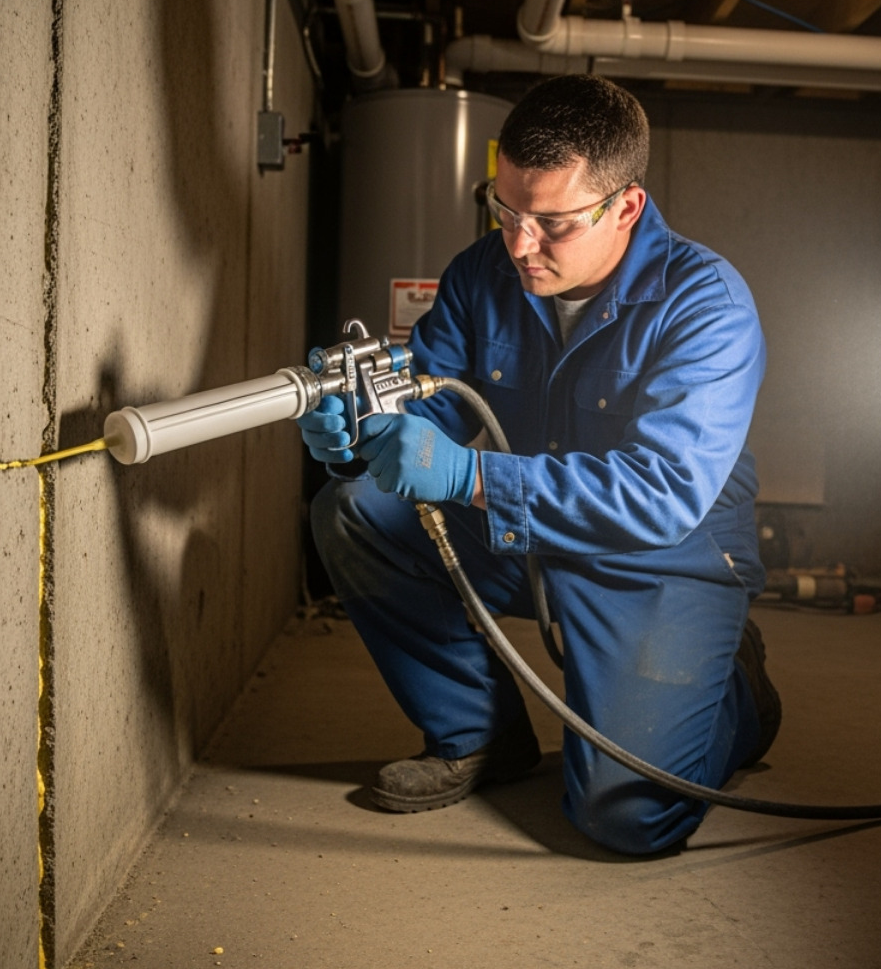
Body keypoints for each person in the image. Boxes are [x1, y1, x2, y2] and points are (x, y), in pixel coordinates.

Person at [302, 74, 777, 856]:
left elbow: (661, 495)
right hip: (526, 526)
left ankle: (739, 697)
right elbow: (430, 410)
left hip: (661, 556)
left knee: (627, 818)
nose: (520, 245)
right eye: (506, 211)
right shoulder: (480, 274)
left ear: (625, 206)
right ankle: (478, 733)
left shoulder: (706, 305)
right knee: (354, 508)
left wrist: (470, 477)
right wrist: (360, 434)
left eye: (552, 223)